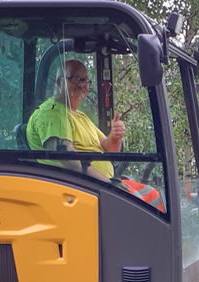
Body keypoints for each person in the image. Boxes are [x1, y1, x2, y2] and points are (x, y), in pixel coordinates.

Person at [27, 59, 164, 212]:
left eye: (85, 80)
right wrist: (108, 183)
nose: (82, 85)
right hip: (78, 188)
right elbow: (68, 159)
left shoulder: (80, 116)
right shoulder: (52, 113)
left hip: (98, 185)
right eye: (76, 79)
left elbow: (108, 147)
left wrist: (114, 136)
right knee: (143, 209)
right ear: (60, 82)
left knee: (153, 196)